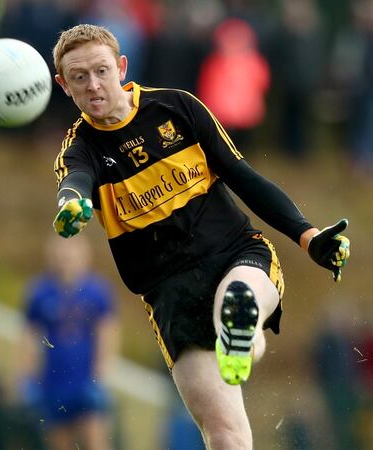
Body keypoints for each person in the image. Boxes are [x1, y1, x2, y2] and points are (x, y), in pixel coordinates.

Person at [49, 24, 351, 450]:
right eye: (79, 78)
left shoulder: (176, 107)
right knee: (226, 437)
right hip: (169, 293)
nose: (94, 85)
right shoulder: (80, 148)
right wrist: (71, 203)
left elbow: (243, 177)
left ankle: (240, 323)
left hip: (235, 254)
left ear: (121, 66)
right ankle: (244, 338)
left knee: (237, 299)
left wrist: (309, 236)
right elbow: (75, 181)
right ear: (64, 85)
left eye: (101, 71)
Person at [17, 236, 119, 450]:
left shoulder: (97, 291)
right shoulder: (39, 292)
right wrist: (26, 377)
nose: (66, 258)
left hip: (85, 382)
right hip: (52, 383)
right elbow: (28, 337)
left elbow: (107, 335)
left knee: (95, 441)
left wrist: (101, 377)